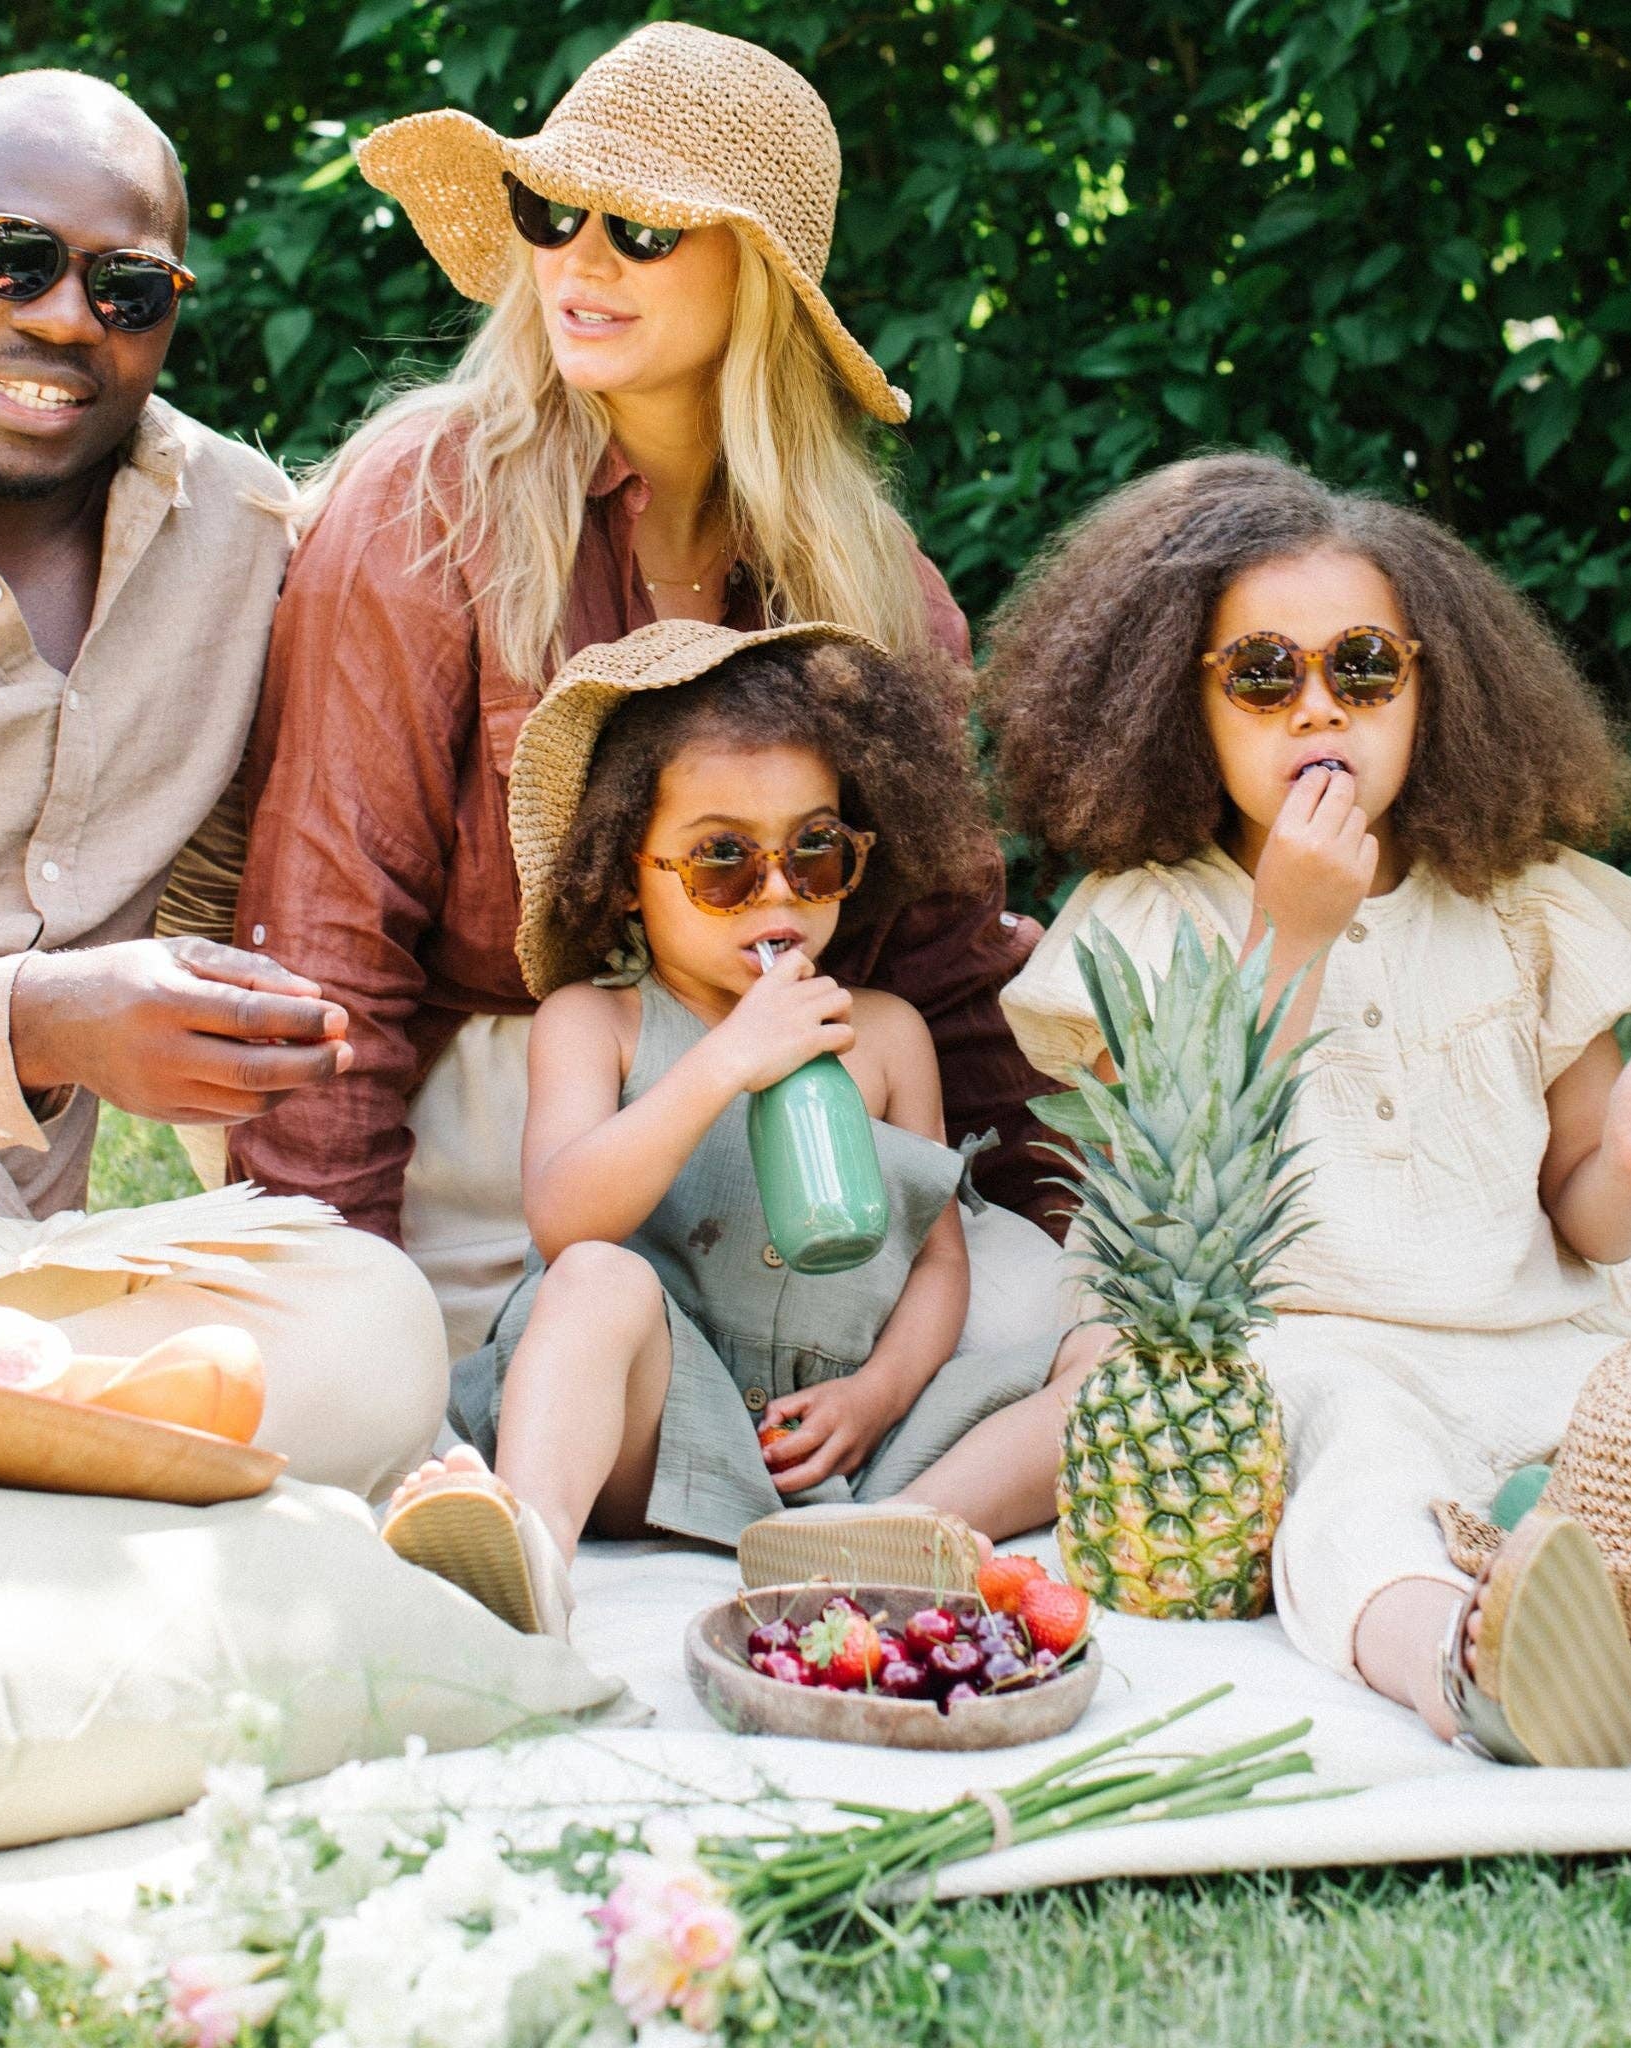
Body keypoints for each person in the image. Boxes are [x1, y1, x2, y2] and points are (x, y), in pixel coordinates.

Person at [985, 452, 1631, 1762]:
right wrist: (1289, 937)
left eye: (1360, 669)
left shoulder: (1525, 904)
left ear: (1430, 689)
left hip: (1532, 1338)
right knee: (1362, 1508)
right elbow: (1176, 1186)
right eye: (1261, 675)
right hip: (1304, 1354)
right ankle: (1467, 1666)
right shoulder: (1146, 920)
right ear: (1176, 706)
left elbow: (1590, 1217)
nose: (1316, 711)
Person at [223, 22, 1062, 1363]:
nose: (581, 259)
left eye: (646, 228)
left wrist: (1039, 1224)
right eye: (553, 210)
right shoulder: (430, 509)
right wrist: (325, 1285)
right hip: (499, 1147)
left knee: (1037, 1313)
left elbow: (943, 961)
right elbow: (331, 946)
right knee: (369, 1371)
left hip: (791, 1141)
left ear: (764, 278)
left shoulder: (867, 580)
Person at [0, 70, 445, 1498]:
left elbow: (332, 863)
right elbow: (57, 1023)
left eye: (126, 288)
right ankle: (64, 1468)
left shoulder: (243, 539)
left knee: (374, 1333)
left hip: (21, 1276)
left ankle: (1, 1453)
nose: (62, 319)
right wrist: (37, 1026)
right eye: (11, 257)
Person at [380, 621, 1100, 1634]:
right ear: (629, 872)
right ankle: (531, 1548)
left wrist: (880, 1393)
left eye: (813, 852)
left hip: (841, 1433)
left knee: (1109, 1363)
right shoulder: (598, 1022)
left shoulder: (885, 1036)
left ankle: (895, 1531)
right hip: (661, 1408)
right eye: (722, 861)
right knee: (595, 1277)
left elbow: (938, 1262)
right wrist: (726, 1058)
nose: (776, 892)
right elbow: (562, 1216)